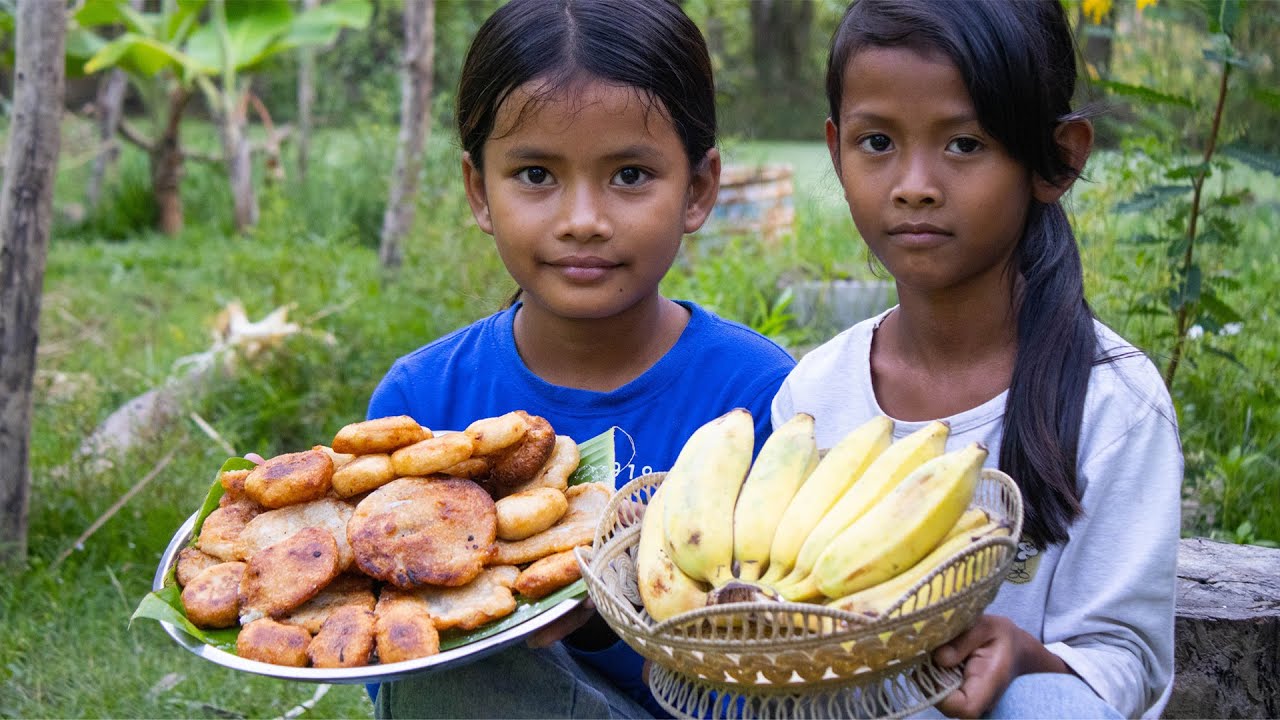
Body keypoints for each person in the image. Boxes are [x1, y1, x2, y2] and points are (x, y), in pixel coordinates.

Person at [365, 0, 796, 716]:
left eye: (629, 175)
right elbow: (395, 672)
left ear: (699, 188)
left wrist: (612, 621)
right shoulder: (423, 406)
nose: (583, 220)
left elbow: (785, 669)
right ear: (480, 191)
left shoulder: (755, 400)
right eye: (536, 175)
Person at [771, 1, 1181, 718]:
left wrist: (1024, 654)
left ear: (1057, 160)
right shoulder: (815, 396)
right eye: (877, 143)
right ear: (836, 150)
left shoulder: (1113, 404)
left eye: (964, 145)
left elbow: (1125, 664)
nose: (914, 183)